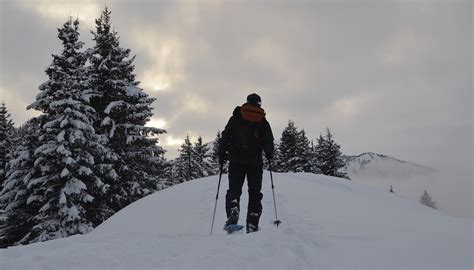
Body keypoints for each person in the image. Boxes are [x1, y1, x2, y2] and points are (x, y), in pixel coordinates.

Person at [218, 93, 274, 233]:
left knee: (234, 190)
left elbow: (225, 136)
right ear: (259, 104)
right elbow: (269, 140)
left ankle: (233, 209)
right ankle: (252, 223)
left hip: (236, 161)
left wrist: (222, 153)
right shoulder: (262, 120)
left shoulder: (236, 117)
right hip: (255, 162)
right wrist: (268, 153)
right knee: (255, 192)